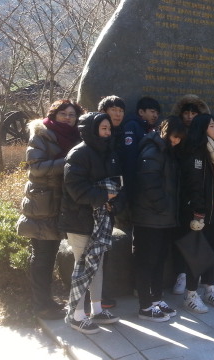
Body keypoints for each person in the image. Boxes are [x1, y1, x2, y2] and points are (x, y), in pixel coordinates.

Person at [17, 99, 83, 320]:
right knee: (43, 255)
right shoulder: (41, 134)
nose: (68, 118)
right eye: (63, 114)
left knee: (50, 254)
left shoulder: (76, 136)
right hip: (43, 203)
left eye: (72, 115)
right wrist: (68, 162)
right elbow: (36, 168)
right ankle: (41, 306)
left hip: (61, 202)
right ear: (53, 115)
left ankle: (46, 302)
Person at [59, 112, 124, 334]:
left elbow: (118, 184)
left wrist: (114, 203)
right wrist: (105, 196)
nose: (107, 132)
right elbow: (75, 189)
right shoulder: (78, 154)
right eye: (103, 128)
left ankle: (97, 309)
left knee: (97, 265)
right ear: (91, 130)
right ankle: (76, 315)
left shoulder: (109, 152)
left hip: (102, 219)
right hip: (79, 220)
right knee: (83, 266)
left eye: (109, 128)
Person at [132, 116, 186, 322]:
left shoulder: (167, 151)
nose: (176, 141)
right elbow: (148, 181)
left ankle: (156, 299)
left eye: (180, 138)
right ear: (165, 131)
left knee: (159, 261)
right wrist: (162, 206)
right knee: (146, 261)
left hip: (164, 218)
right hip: (149, 217)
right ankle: (145, 305)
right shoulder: (153, 150)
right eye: (174, 136)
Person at [179, 114, 214, 313]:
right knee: (196, 254)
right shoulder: (195, 152)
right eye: (211, 126)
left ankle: (209, 288)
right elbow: (194, 186)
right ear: (201, 129)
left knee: (211, 252)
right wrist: (198, 212)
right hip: (197, 214)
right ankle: (190, 294)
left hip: (213, 210)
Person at [169, 94, 211, 294]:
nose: (189, 117)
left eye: (193, 114)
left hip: (200, 197)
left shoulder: (208, 141)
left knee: (197, 238)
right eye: (186, 113)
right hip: (179, 193)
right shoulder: (176, 135)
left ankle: (198, 276)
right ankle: (181, 274)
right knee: (182, 236)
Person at [96, 95, 126, 309]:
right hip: (97, 201)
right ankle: (95, 296)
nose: (117, 114)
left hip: (113, 200)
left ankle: (102, 294)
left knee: (104, 249)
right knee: (94, 250)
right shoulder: (93, 140)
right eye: (113, 109)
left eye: (121, 110)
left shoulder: (120, 136)